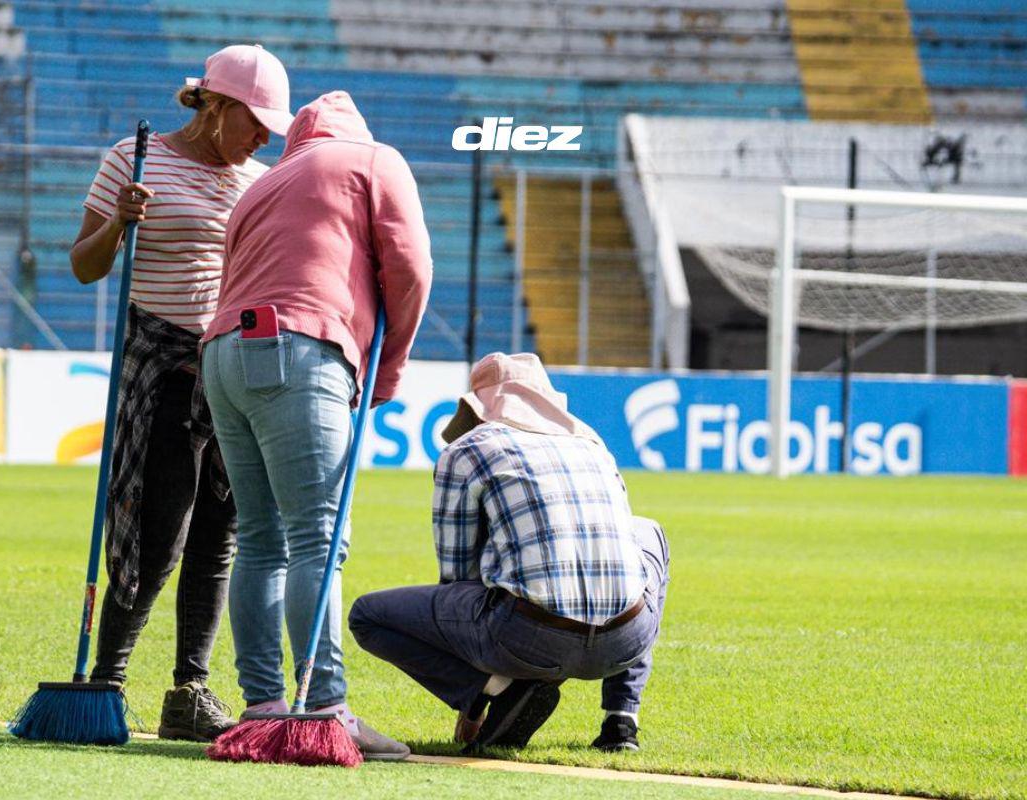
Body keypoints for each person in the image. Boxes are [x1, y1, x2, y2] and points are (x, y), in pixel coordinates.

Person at [69, 44, 294, 741]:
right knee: (157, 531)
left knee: (220, 538)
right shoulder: (132, 161)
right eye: (255, 122)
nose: (264, 138)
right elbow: (84, 266)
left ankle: (189, 692)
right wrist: (119, 222)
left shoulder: (257, 181)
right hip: (159, 366)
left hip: (228, 368)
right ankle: (107, 679)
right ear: (219, 106)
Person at [201, 90, 432, 761]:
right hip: (299, 349)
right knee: (317, 538)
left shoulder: (263, 183)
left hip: (223, 355)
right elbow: (411, 269)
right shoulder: (373, 160)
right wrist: (386, 375)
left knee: (261, 541)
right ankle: (325, 709)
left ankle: (264, 708)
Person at [348, 352, 671, 753]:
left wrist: (473, 692)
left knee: (366, 616)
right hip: (626, 641)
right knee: (649, 530)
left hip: (527, 639)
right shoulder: (593, 444)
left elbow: (457, 575)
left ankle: (493, 688)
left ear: (481, 405)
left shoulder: (468, 449)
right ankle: (621, 721)